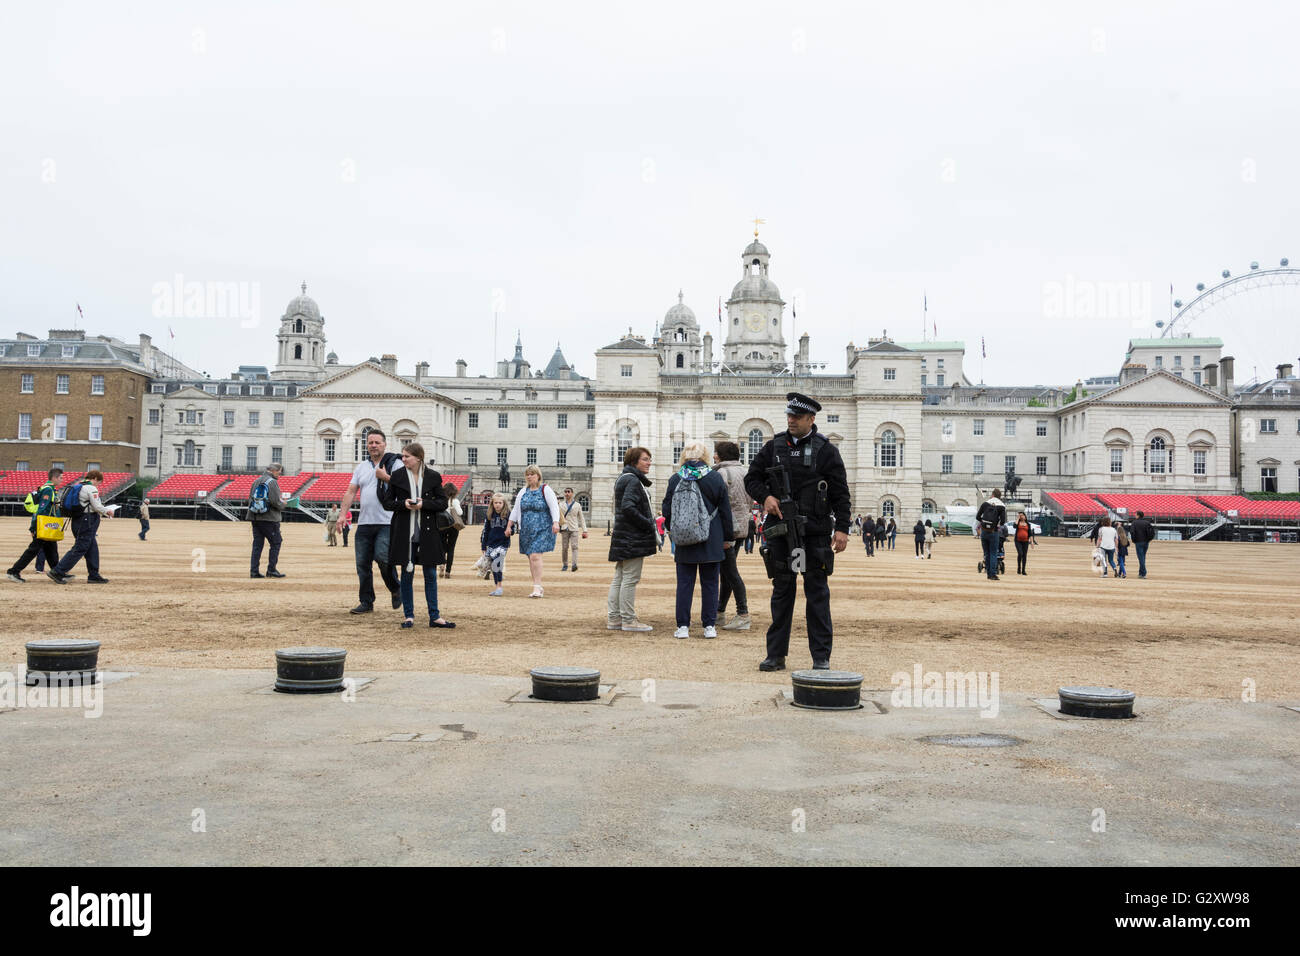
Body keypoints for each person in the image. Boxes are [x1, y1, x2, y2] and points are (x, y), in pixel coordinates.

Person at [744, 393, 851, 671]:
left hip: (814, 534)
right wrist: (765, 497)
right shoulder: (773, 446)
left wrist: (842, 528)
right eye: (789, 415)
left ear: (811, 419)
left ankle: (821, 657)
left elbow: (840, 493)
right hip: (782, 535)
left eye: (797, 416)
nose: (791, 420)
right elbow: (751, 478)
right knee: (782, 592)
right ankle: (776, 654)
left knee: (817, 594)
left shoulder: (826, 450)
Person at [378, 442, 454, 629]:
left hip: (427, 531)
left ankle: (434, 616)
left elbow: (442, 503)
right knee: (407, 573)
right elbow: (387, 503)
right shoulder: (397, 476)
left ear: (418, 458)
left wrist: (423, 504)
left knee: (430, 574)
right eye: (402, 456)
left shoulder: (433, 476)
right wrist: (403, 504)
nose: (403, 459)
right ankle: (409, 615)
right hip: (405, 531)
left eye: (406, 456)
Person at [662, 442, 733, 639]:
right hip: (711, 536)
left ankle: (683, 626)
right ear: (705, 456)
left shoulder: (676, 478)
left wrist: (673, 529)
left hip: (685, 538)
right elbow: (725, 510)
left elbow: (667, 509)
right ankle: (709, 625)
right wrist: (728, 537)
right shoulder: (714, 478)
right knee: (710, 583)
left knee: (684, 584)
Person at [339, 429, 402, 613]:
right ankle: (366, 601)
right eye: (370, 442)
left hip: (387, 521)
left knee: (383, 558)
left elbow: (404, 488)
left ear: (385, 444)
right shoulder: (361, 467)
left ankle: (395, 588)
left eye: (377, 442)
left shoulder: (396, 464)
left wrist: (386, 478)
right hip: (365, 523)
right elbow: (351, 491)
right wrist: (343, 514)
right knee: (362, 564)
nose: (373, 445)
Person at [607, 446, 656, 632]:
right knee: (629, 579)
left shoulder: (623, 478)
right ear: (634, 461)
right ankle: (628, 619)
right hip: (632, 538)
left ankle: (615, 618)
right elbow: (628, 507)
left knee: (619, 577)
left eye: (649, 459)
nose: (649, 462)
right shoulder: (634, 481)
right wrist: (648, 524)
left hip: (623, 536)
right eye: (645, 459)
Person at [47, 470, 114, 583]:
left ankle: (94, 574)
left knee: (92, 547)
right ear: (96, 479)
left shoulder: (78, 485)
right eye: (99, 482)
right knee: (80, 547)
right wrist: (108, 511)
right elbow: (97, 506)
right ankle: (58, 571)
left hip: (77, 519)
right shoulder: (91, 488)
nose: (98, 485)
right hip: (87, 521)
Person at [713, 441, 752, 631]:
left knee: (730, 573)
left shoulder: (721, 473)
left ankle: (743, 613)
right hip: (742, 527)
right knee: (727, 572)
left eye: (715, 453)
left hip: (726, 529)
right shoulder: (746, 473)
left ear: (720, 456)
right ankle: (719, 612)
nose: (713, 456)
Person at [507, 464, 560, 598]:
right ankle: (538, 585)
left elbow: (554, 506)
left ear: (538, 476)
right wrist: (509, 525)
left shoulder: (545, 489)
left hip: (543, 528)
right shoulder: (523, 491)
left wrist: (556, 522)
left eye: (532, 474)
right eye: (528, 474)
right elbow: (515, 509)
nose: (529, 476)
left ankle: (537, 587)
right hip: (526, 530)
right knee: (531, 557)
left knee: (535, 556)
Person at [7, 466, 64, 583]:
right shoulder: (48, 490)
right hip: (44, 525)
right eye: (60, 478)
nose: (62, 480)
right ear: (54, 478)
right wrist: (34, 527)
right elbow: (41, 509)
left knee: (52, 550)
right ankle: (14, 571)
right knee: (33, 550)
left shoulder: (49, 489)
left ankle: (57, 572)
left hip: (48, 525)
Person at [247, 463, 286, 579]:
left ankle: (254, 571)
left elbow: (249, 499)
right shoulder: (272, 482)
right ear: (274, 471)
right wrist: (283, 504)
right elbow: (276, 502)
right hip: (269, 519)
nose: (280, 474)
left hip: (254, 517)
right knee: (276, 542)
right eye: (279, 472)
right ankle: (271, 569)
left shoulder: (256, 481)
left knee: (257, 545)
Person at [480, 493, 511, 596]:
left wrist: (510, 531)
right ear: (492, 504)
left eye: (500, 503)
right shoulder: (489, 515)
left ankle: (500, 587)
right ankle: (497, 586)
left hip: (503, 544)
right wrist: (483, 545)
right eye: (496, 503)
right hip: (491, 543)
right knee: (493, 566)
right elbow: (486, 530)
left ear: (504, 503)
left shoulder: (508, 514)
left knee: (497, 564)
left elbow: (513, 527)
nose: (498, 505)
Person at [975, 488, 1007, 581]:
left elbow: (977, 516)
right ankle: (992, 574)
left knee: (987, 553)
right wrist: (996, 525)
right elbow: (1003, 521)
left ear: (992, 495)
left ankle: (988, 572)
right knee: (993, 553)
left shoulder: (985, 503)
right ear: (999, 496)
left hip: (984, 531)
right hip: (994, 531)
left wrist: (983, 523)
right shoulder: (1002, 506)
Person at [558, 487, 588, 572]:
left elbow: (581, 518)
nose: (567, 493)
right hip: (564, 528)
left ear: (572, 493)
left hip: (574, 528)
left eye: (568, 492)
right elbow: (557, 516)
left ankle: (574, 564)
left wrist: (584, 530)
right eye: (565, 492)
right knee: (564, 548)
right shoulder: (561, 505)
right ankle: (565, 564)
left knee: (575, 547)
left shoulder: (577, 505)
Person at [439, 481, 464, 578]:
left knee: (442, 547)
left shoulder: (441, 500)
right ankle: (448, 571)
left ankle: (441, 564)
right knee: (451, 548)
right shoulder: (455, 501)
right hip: (453, 526)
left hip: (442, 526)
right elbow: (460, 512)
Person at [1129, 510, 1155, 578]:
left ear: (1138, 515)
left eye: (1135, 514)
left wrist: (1134, 540)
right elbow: (1152, 532)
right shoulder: (1147, 522)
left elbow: (1132, 532)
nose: (1134, 515)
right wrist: (1149, 539)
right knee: (1143, 557)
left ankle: (1143, 573)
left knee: (1141, 558)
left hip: (1138, 542)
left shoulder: (1134, 523)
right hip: (1146, 542)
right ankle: (1141, 573)